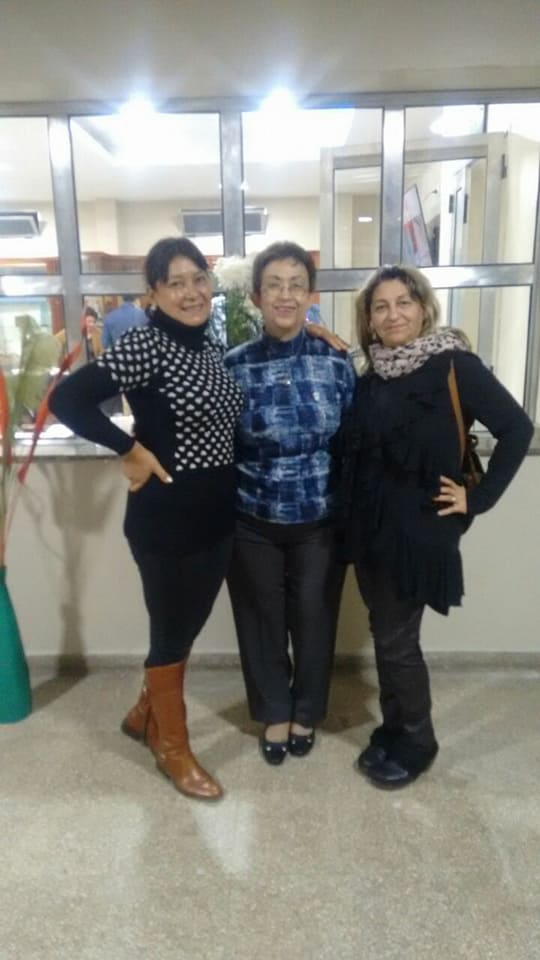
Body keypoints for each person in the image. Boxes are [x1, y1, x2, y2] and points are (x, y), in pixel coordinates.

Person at [49, 237, 245, 801]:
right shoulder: (146, 343)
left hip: (218, 513)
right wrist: (128, 449)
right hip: (166, 519)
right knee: (170, 632)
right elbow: (67, 400)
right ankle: (171, 747)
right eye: (175, 283)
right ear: (153, 293)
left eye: (198, 278)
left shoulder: (211, 346)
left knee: (186, 627)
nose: (191, 291)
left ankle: (143, 713)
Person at [337, 264, 533, 789]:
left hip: (420, 531)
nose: (393, 314)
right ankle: (394, 728)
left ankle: (418, 742)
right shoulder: (371, 375)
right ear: (369, 319)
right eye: (381, 306)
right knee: (387, 635)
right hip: (372, 531)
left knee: (397, 642)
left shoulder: (454, 365)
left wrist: (478, 498)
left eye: (403, 302)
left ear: (424, 308)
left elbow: (517, 428)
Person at [224, 242, 356, 765]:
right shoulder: (233, 365)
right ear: (256, 297)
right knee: (261, 619)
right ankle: (274, 712)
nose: (285, 295)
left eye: (296, 285)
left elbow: (352, 440)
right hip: (251, 514)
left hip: (320, 516)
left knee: (314, 618)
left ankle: (307, 712)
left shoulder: (336, 360)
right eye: (274, 285)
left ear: (310, 296)